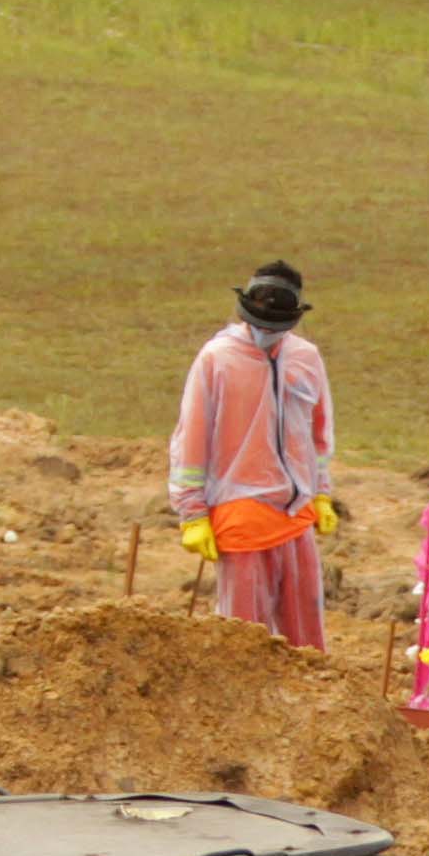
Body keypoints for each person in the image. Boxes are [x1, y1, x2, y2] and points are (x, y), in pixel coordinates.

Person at [168, 262, 337, 650]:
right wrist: (192, 514)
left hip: (296, 515)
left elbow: (318, 435)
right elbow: (190, 438)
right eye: (260, 324)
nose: (266, 334)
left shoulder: (307, 359)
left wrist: (322, 492)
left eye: (275, 327)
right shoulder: (217, 360)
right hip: (239, 515)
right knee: (243, 642)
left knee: (308, 642)